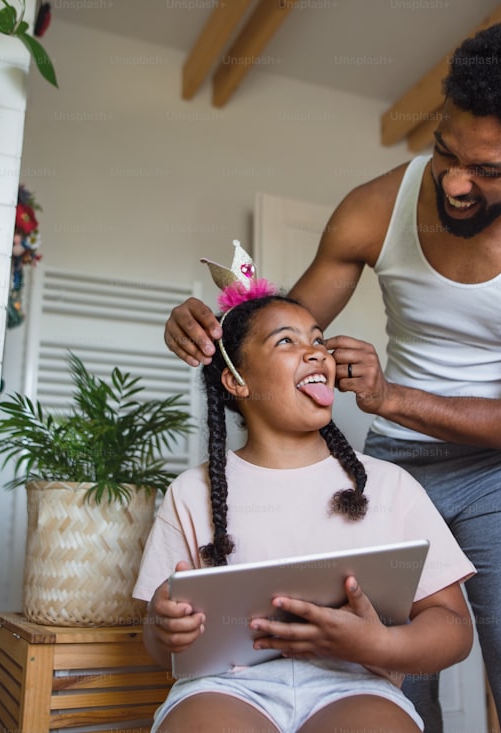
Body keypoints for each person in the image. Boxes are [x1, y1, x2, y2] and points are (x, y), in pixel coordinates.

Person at [163, 20, 501, 733]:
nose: (458, 183)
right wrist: (211, 332)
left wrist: (386, 396)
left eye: (491, 170)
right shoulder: (376, 207)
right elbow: (274, 336)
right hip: (398, 466)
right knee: (390, 683)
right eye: (446, 152)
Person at [135, 286, 477, 733]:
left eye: (318, 340)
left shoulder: (391, 485)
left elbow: (454, 627)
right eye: (286, 341)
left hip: (356, 686)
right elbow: (156, 641)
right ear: (237, 380)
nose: (316, 352)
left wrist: (380, 644)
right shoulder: (189, 492)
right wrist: (164, 631)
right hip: (225, 688)